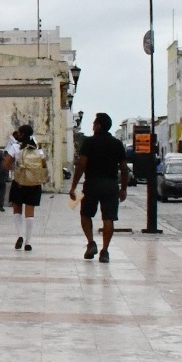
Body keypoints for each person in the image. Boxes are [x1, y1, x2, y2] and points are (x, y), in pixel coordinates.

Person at [69, 113, 128, 264]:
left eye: (94, 123)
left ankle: (91, 243)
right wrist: (123, 189)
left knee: (85, 214)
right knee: (108, 218)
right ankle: (105, 251)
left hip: (92, 183)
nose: (93, 126)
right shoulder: (116, 144)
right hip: (111, 185)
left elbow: (82, 165)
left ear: (99, 125)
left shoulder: (89, 142)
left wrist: (74, 185)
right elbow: (124, 168)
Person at [5, 125, 47, 251]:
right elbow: (43, 164)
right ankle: (28, 242)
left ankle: (20, 236)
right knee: (30, 212)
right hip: (34, 183)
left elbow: (6, 163)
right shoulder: (38, 148)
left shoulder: (15, 147)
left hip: (19, 182)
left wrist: (15, 170)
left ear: (21, 134)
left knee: (17, 209)